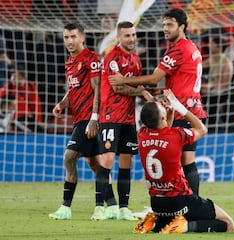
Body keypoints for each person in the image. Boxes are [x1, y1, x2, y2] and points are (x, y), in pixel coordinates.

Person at [109, 8, 207, 196]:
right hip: (192, 108)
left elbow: (155, 78)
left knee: (179, 161)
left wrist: (124, 80)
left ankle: (185, 203)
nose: (165, 28)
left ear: (182, 27)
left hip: (181, 109)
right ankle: (188, 202)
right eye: (164, 25)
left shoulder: (178, 50)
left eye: (170, 25)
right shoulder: (191, 47)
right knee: (187, 160)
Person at [133, 89, 234, 234]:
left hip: (157, 203)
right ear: (162, 117)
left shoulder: (143, 134)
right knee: (228, 224)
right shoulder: (176, 135)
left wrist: (169, 112)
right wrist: (178, 106)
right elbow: (202, 129)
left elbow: (163, 130)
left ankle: (156, 224)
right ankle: (185, 227)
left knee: (167, 219)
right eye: (161, 107)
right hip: (180, 200)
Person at [48, 22, 116, 220]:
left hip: (90, 118)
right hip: (79, 117)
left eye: (73, 37)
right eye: (66, 37)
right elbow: (74, 89)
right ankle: (111, 206)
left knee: (69, 157)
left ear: (82, 37)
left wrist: (94, 119)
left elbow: (98, 90)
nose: (69, 41)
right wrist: (61, 104)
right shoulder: (70, 62)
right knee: (95, 164)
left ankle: (65, 208)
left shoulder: (91, 59)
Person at [92, 21, 153, 221]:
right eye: (127, 35)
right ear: (118, 37)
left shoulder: (136, 60)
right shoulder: (111, 58)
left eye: (134, 35)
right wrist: (141, 91)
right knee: (107, 160)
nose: (132, 39)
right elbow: (118, 88)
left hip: (128, 118)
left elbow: (132, 85)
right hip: (110, 116)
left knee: (126, 162)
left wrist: (143, 91)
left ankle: (123, 208)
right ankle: (99, 207)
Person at [0, 65, 44, 132]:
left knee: (40, 131)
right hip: (13, 120)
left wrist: (38, 121)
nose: (12, 78)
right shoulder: (9, 87)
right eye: (11, 76)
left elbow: (36, 105)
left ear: (22, 77)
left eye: (15, 76)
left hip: (27, 118)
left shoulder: (31, 87)